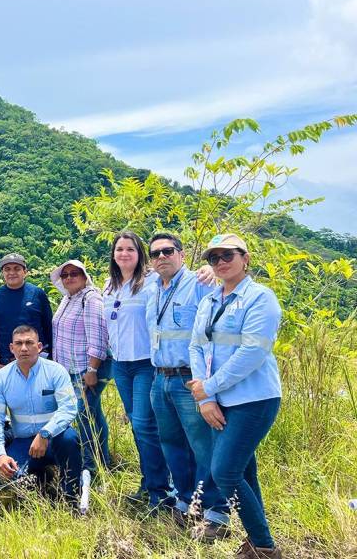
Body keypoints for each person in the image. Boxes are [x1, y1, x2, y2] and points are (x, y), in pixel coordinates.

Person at [188, 234, 282, 559]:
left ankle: (265, 546)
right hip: (220, 401)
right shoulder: (209, 301)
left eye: (227, 255)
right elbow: (196, 346)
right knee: (243, 472)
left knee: (225, 472)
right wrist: (205, 398)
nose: (220, 262)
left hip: (254, 400)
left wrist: (209, 387)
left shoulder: (260, 298)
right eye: (214, 258)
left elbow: (252, 353)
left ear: (245, 257)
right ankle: (260, 540)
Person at [146, 233, 229, 538]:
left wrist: (207, 384)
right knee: (171, 443)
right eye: (155, 253)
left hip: (189, 379)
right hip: (160, 377)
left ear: (181, 254)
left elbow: (225, 298)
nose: (161, 257)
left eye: (168, 251)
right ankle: (185, 500)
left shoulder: (199, 282)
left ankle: (216, 511)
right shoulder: (152, 287)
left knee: (203, 444)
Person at [103, 231, 173, 509]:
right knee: (137, 425)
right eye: (119, 249)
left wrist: (206, 271)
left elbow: (181, 279)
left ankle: (161, 492)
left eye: (130, 249)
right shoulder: (110, 285)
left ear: (139, 253)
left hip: (146, 364)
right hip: (120, 365)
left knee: (145, 425)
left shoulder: (153, 282)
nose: (124, 254)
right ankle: (148, 484)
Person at [0, 325, 81, 506]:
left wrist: (45, 433)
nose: (24, 348)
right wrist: (0, 455)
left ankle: (71, 497)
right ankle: (42, 477)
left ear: (39, 347)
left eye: (29, 343)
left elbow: (69, 408)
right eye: (19, 343)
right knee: (1, 481)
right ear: (11, 348)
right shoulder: (2, 377)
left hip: (54, 440)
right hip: (23, 443)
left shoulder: (55, 371)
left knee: (70, 439)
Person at [50, 259, 111, 484]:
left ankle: (90, 466)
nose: (69, 278)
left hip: (87, 368)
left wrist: (92, 369)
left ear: (85, 276)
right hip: (71, 368)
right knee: (92, 413)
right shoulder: (68, 298)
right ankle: (101, 460)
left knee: (84, 414)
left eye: (74, 273)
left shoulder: (91, 298)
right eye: (64, 275)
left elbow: (98, 335)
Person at [0, 253, 53, 368]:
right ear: (2, 273)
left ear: (25, 272)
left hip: (37, 358)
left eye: (17, 269)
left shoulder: (37, 293)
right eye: (7, 269)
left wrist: (51, 353)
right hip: (6, 360)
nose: (12, 273)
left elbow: (48, 326)